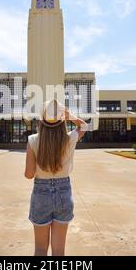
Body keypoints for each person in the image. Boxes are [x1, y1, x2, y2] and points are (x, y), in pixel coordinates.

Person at [24, 100, 87, 256]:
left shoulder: (32, 140)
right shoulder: (70, 139)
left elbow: (29, 175)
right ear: (62, 120)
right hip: (64, 193)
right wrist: (71, 116)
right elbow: (84, 126)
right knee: (59, 251)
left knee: (40, 249)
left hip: (41, 194)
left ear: (42, 120)